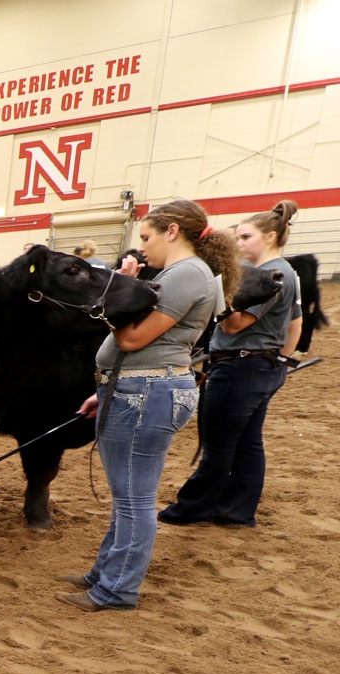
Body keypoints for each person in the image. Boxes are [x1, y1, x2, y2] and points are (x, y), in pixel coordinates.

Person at [57, 199, 238, 613]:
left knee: (134, 499)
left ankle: (116, 590)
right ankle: (106, 574)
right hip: (137, 388)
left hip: (147, 393)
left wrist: (117, 292)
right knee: (128, 495)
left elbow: (133, 338)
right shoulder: (182, 273)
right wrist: (105, 388)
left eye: (146, 236)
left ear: (172, 231)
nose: (142, 247)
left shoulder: (187, 275)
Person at [160, 201, 303, 528]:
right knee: (248, 441)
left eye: (245, 236)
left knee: (219, 443)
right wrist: (280, 362)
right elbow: (296, 323)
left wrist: (220, 297)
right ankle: (235, 511)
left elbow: (234, 325)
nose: (238, 243)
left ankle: (193, 508)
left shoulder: (270, 274)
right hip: (260, 367)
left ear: (270, 236)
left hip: (240, 368)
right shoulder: (286, 272)